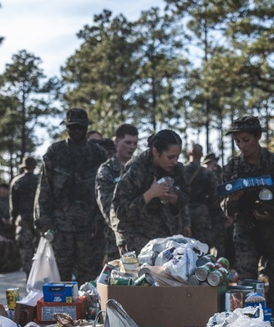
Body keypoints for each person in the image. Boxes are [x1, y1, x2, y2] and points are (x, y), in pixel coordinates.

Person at [222, 116, 274, 320]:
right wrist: (233, 199)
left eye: (246, 139)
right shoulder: (232, 168)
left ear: (257, 136)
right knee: (247, 285)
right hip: (247, 232)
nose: (242, 145)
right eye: (237, 141)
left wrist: (272, 210)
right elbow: (225, 209)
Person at [35, 108, 108, 282]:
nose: (76, 131)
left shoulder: (98, 154)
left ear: (86, 128)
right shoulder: (55, 152)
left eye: (80, 127)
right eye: (72, 127)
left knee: (90, 279)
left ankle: (89, 310)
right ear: (67, 127)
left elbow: (103, 191)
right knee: (58, 279)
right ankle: (59, 310)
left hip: (90, 230)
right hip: (60, 229)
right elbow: (44, 189)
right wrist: (44, 223)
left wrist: (100, 220)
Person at [112, 129, 190, 255]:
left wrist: (173, 197)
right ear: (155, 151)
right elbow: (120, 211)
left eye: (177, 156)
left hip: (167, 239)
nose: (175, 161)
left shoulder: (177, 169)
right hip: (136, 240)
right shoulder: (136, 169)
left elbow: (186, 197)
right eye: (170, 157)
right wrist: (150, 194)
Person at [96, 124, 139, 261]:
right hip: (115, 239)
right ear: (116, 141)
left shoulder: (140, 168)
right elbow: (108, 208)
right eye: (128, 142)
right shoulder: (107, 170)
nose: (132, 147)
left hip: (141, 237)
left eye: (135, 143)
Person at [184, 143, 224, 253]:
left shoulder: (181, 171)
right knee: (202, 247)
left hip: (183, 213)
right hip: (202, 213)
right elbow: (215, 196)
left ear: (189, 153)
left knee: (184, 247)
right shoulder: (207, 173)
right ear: (201, 155)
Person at [10, 156, 40, 271]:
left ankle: (29, 274)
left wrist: (13, 220)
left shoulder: (17, 182)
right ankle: (40, 274)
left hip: (23, 220)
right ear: (34, 166)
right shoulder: (40, 180)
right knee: (40, 248)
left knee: (26, 250)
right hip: (39, 220)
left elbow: (13, 205)